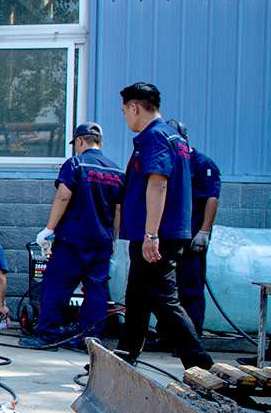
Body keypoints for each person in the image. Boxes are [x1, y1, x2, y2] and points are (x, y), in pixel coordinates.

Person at [115, 83, 213, 370]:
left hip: (158, 233)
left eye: (124, 111)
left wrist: (151, 234)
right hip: (163, 230)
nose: (125, 118)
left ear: (134, 107)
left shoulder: (155, 136)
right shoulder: (174, 138)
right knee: (137, 296)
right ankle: (125, 356)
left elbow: (158, 184)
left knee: (164, 300)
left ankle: (201, 365)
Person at [22, 122, 123, 349]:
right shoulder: (116, 171)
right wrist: (113, 240)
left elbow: (63, 196)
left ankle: (47, 336)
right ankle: (91, 340)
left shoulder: (75, 164)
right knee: (96, 290)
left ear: (79, 141)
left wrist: (49, 229)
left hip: (73, 240)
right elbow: (118, 210)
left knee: (56, 286)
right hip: (102, 242)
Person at [158, 119, 221, 337]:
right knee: (166, 288)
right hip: (169, 236)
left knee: (190, 287)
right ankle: (167, 336)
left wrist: (204, 232)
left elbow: (212, 198)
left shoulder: (203, 164)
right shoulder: (169, 162)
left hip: (191, 237)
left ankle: (191, 338)